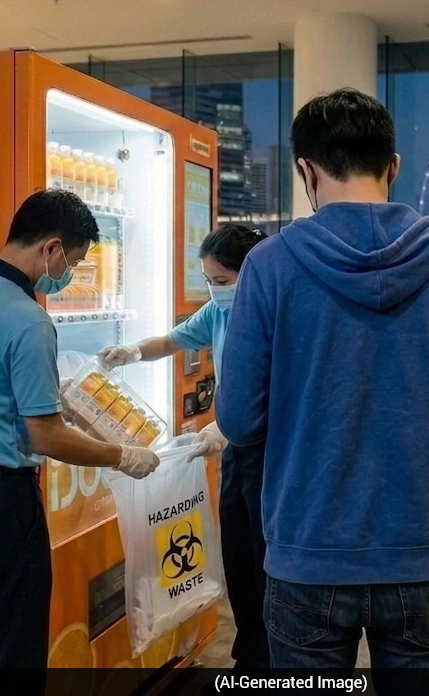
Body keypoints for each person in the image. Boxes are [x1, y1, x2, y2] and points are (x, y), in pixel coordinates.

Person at [215, 88, 429, 688]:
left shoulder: (269, 265)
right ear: (393, 167)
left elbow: (239, 419)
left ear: (306, 170)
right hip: (421, 552)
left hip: (306, 555)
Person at [0, 189, 160, 693]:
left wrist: (47, 397)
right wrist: (123, 455)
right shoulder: (27, 319)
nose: (68, 274)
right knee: (11, 653)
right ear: (51, 248)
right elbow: (45, 435)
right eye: (73, 261)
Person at [98, 223, 271, 673]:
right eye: (209, 280)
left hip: (271, 453)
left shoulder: (274, 313)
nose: (215, 290)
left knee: (265, 559)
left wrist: (226, 427)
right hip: (235, 452)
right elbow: (171, 341)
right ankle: (251, 657)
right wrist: (133, 351)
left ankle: (274, 661)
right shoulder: (218, 314)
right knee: (236, 551)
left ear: (252, 272)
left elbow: (279, 389)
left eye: (222, 280)